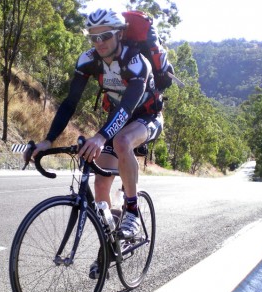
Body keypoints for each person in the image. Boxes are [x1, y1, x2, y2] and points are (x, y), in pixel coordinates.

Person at [27, 8, 163, 240]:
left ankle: (132, 210)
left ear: (120, 34)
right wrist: (48, 139)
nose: (99, 42)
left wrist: (100, 137)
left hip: (146, 117)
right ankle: (109, 247)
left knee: (122, 141)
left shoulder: (137, 62)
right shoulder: (88, 60)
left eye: (106, 36)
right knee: (100, 184)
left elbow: (128, 107)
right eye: (94, 37)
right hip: (116, 120)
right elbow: (70, 103)